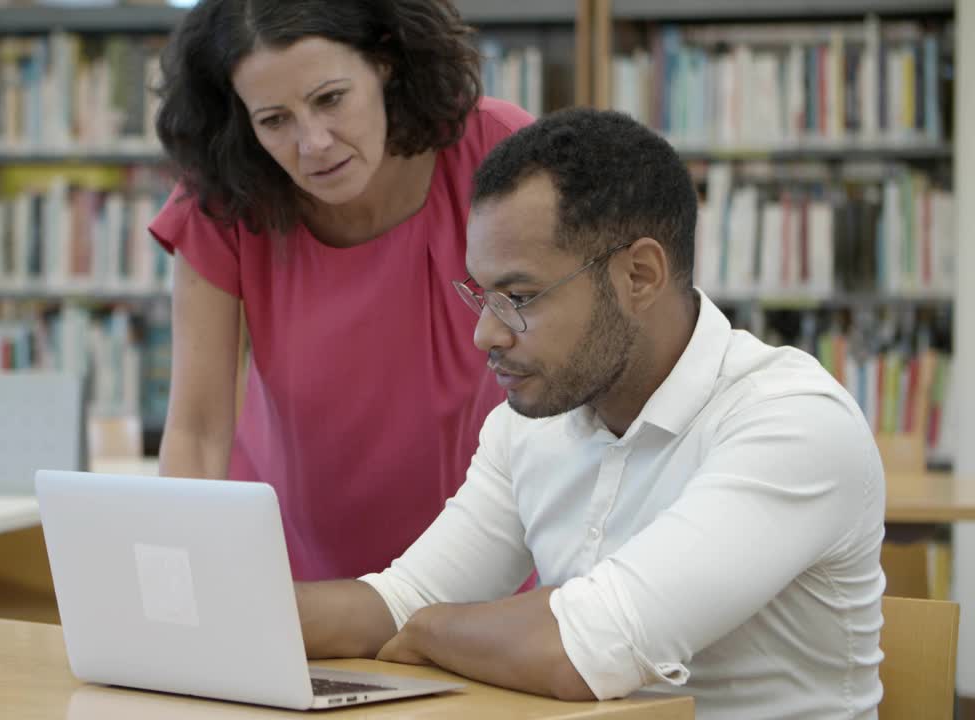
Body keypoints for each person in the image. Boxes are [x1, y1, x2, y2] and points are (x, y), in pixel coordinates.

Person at [295, 108, 886, 718]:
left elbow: (580, 651)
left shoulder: (792, 424)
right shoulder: (531, 420)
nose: (484, 335)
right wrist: (226, 615)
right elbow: (401, 599)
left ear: (640, 275)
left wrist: (428, 628)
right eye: (481, 295)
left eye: (520, 298)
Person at [149, 0, 535, 580]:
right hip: (286, 573)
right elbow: (197, 432)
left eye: (330, 98)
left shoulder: (498, 149)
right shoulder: (224, 198)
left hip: (483, 566)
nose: (314, 144)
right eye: (274, 120)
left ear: (384, 61)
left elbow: (576, 374)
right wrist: (178, 588)